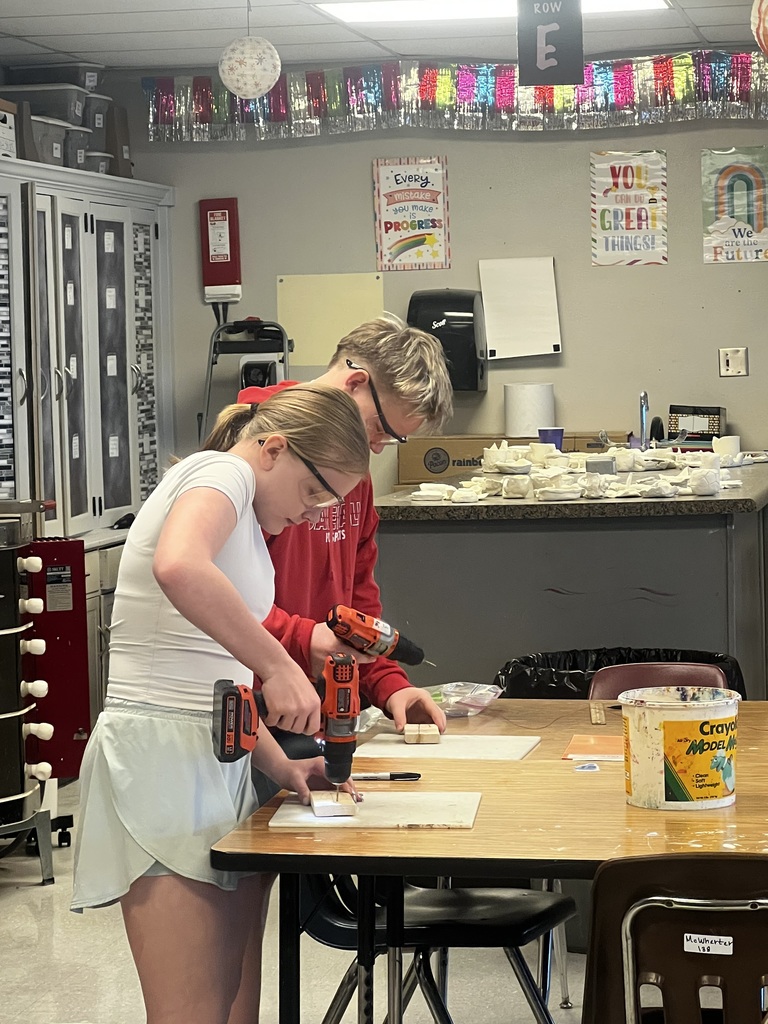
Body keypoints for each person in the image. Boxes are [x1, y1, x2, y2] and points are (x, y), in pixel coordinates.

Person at [70, 384, 370, 1024]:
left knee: (232, 997)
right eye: (315, 494)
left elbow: (212, 675)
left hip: (214, 757)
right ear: (274, 449)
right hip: (162, 764)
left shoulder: (247, 524)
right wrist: (279, 662)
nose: (316, 515)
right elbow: (178, 567)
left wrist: (279, 765)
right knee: (192, 1011)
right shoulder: (222, 472)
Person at [234, 315, 454, 733]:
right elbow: (219, 597)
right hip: (256, 707)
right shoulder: (263, 451)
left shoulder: (356, 476)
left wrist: (389, 685)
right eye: (378, 427)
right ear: (355, 383)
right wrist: (300, 641)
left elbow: (358, 600)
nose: (375, 446)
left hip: (314, 708)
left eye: (390, 440)